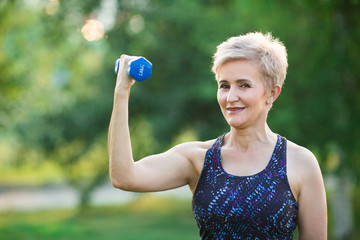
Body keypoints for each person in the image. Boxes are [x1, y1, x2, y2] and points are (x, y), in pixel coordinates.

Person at [108, 32, 327, 239]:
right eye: (224, 86)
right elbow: (124, 176)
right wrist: (122, 92)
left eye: (243, 85)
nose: (231, 97)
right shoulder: (198, 159)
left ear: (272, 93)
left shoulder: (300, 163)